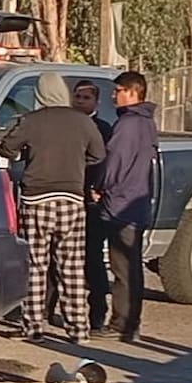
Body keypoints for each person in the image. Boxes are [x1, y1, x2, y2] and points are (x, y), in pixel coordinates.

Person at [0, 73, 106, 343]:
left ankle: (33, 328)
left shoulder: (31, 121)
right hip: (72, 199)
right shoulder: (82, 122)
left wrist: (26, 155)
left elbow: (6, 148)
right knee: (71, 266)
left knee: (35, 265)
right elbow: (99, 154)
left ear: (40, 94)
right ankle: (79, 330)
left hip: (36, 200)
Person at [92, 71, 158, 341]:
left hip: (121, 204)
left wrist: (100, 185)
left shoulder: (128, 125)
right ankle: (130, 323)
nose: (113, 95)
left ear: (133, 92)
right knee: (131, 268)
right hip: (136, 202)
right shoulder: (147, 123)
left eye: (118, 90)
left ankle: (123, 323)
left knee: (123, 269)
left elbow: (115, 161)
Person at [72, 80, 114, 330]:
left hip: (91, 201)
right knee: (60, 257)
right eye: (77, 96)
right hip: (69, 196)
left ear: (96, 102)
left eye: (86, 98)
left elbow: (104, 162)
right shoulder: (66, 126)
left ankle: (97, 313)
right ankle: (48, 308)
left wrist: (97, 189)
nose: (80, 101)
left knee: (93, 259)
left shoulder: (103, 129)